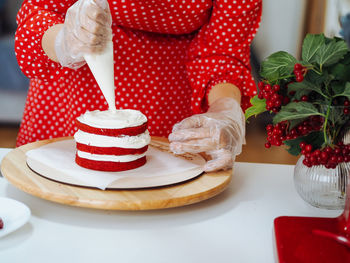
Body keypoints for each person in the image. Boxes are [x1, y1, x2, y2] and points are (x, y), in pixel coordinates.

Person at [15, 0, 262, 172]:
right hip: (71, 91)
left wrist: (223, 108)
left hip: (173, 99)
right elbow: (41, 10)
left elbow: (223, 51)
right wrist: (64, 40)